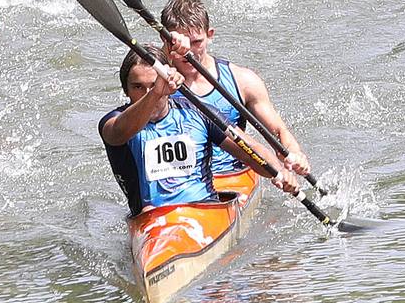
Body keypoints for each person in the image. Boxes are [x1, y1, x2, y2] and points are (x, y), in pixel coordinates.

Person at [100, 46, 300, 216]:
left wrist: (279, 172)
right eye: (137, 87)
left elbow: (249, 149)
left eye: (153, 85)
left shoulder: (198, 112)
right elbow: (118, 133)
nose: (146, 93)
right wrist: (156, 92)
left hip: (206, 212)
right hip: (150, 221)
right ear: (125, 91)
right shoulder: (113, 123)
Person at [158, 0, 311, 191]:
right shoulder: (154, 83)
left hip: (233, 178)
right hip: (183, 182)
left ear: (210, 35)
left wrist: (294, 155)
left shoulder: (243, 81)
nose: (189, 52)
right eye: (182, 44)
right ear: (166, 40)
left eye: (197, 42)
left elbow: (279, 132)